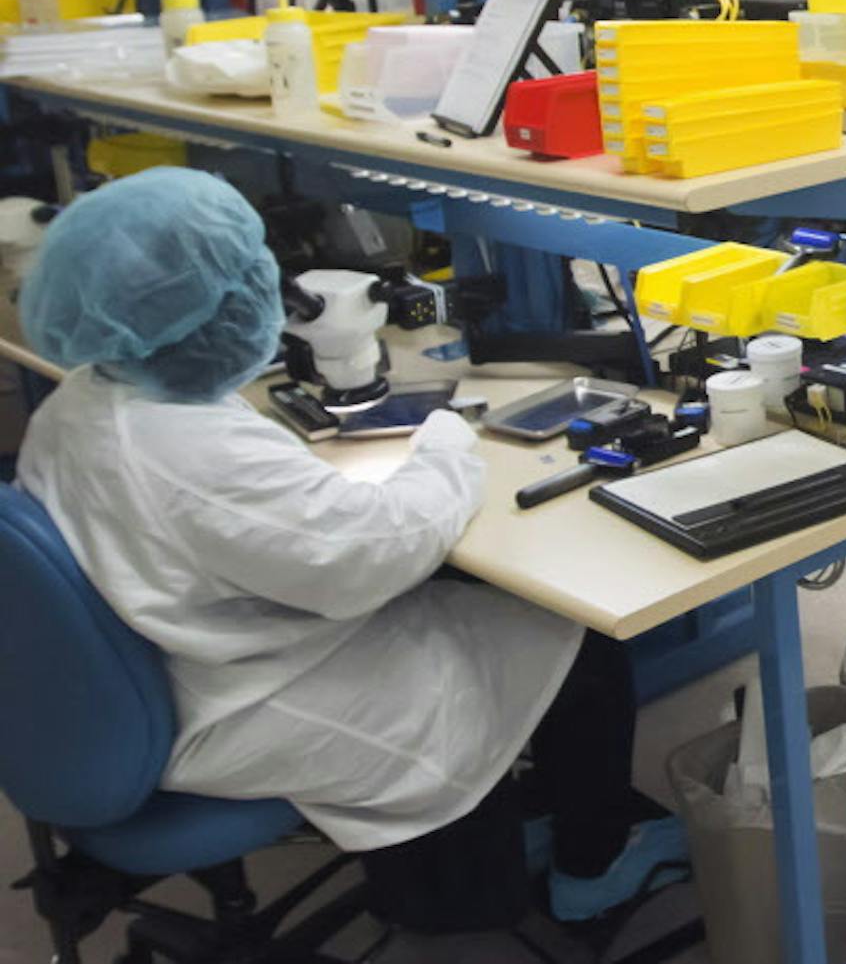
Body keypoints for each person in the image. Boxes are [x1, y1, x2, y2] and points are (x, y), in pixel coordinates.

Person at [13, 167, 685, 922]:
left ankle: (525, 818)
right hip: (238, 700)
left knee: (478, 596)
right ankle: (593, 861)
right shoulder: (189, 449)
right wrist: (446, 442)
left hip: (165, 662)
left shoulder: (81, 401)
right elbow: (368, 554)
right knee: (575, 631)